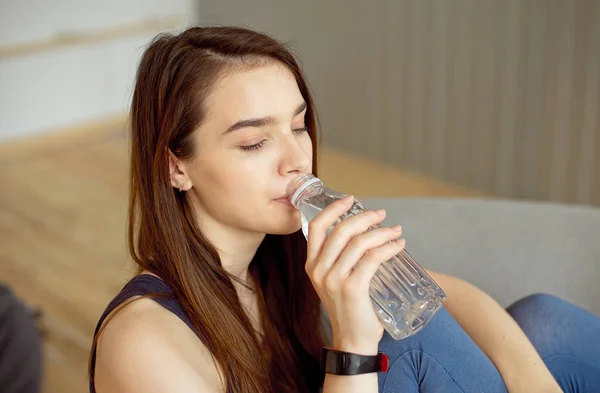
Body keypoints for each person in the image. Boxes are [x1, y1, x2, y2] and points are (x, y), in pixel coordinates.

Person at [88, 26, 600, 393]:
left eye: (297, 125)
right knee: (407, 340)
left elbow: (450, 296)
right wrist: (355, 342)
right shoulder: (144, 341)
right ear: (176, 167)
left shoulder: (282, 256)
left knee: (540, 321)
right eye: (253, 143)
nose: (296, 159)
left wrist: (533, 383)